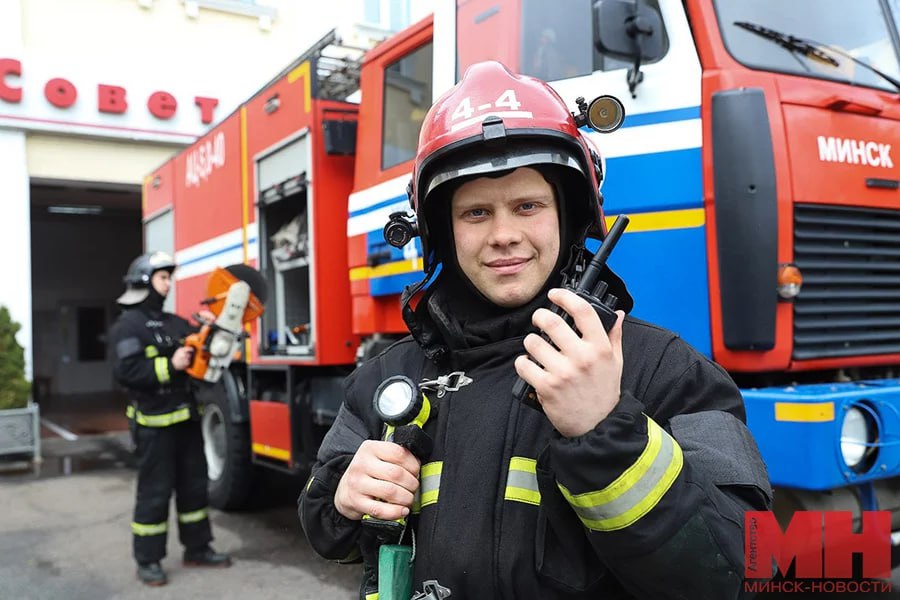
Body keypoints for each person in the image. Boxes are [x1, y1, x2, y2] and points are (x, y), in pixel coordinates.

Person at [299, 61, 772, 599]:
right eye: (476, 213)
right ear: (441, 231)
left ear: (568, 216)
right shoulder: (387, 375)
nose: (503, 234)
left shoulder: (665, 370)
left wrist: (605, 431)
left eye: (528, 206)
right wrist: (345, 497)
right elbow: (324, 529)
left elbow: (739, 574)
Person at [109, 251, 232, 586]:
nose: (168, 284)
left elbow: (203, 351)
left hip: (187, 422)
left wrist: (209, 329)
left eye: (169, 278)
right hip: (153, 426)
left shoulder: (174, 323)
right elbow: (127, 372)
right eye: (163, 278)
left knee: (194, 489)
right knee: (155, 493)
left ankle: (198, 548)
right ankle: (148, 560)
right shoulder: (127, 326)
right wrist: (170, 365)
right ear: (144, 281)